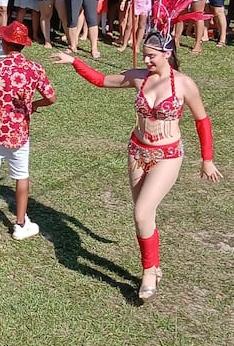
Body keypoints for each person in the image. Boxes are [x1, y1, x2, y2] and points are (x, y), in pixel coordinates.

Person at [50, 30, 222, 302]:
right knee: (144, 214)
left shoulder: (185, 84)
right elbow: (101, 81)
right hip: (137, 152)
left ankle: (148, 273)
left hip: (167, 154)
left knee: (142, 212)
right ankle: (154, 265)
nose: (146, 59)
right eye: (144, 54)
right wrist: (74, 62)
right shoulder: (137, 77)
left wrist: (207, 159)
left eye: (152, 56)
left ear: (167, 54)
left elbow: (202, 120)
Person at [0, 21, 56, 241]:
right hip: (21, 133)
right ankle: (20, 224)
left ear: (4, 42)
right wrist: (34, 105)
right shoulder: (35, 69)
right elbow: (51, 97)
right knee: (21, 177)